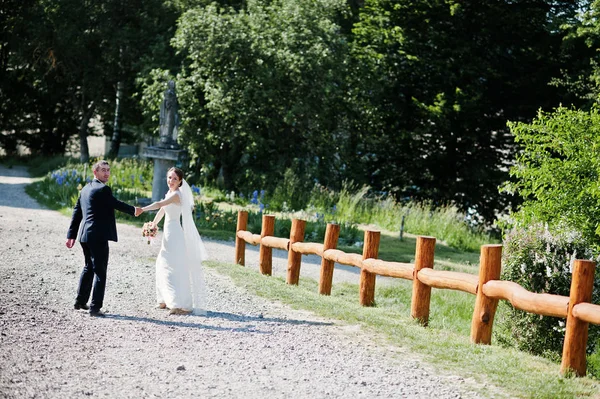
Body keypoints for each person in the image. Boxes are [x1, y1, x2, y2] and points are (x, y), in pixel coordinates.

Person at [66, 160, 143, 317]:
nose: (106, 173)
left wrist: (71, 235)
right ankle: (95, 308)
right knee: (100, 271)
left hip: (84, 236)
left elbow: (77, 212)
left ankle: (80, 302)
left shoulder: (86, 188)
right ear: (95, 172)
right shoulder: (103, 189)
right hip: (97, 236)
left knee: (88, 267)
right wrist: (134, 210)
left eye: (108, 170)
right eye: (103, 170)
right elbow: (115, 203)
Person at [140, 167, 208, 315]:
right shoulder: (169, 193)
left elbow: (159, 204)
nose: (171, 181)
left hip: (175, 233)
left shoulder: (177, 195)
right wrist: (154, 223)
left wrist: (142, 209)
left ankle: (180, 304)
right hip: (168, 233)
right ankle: (165, 299)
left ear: (180, 182)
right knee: (162, 263)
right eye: (169, 178)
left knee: (175, 267)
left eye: (174, 179)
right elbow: (162, 210)